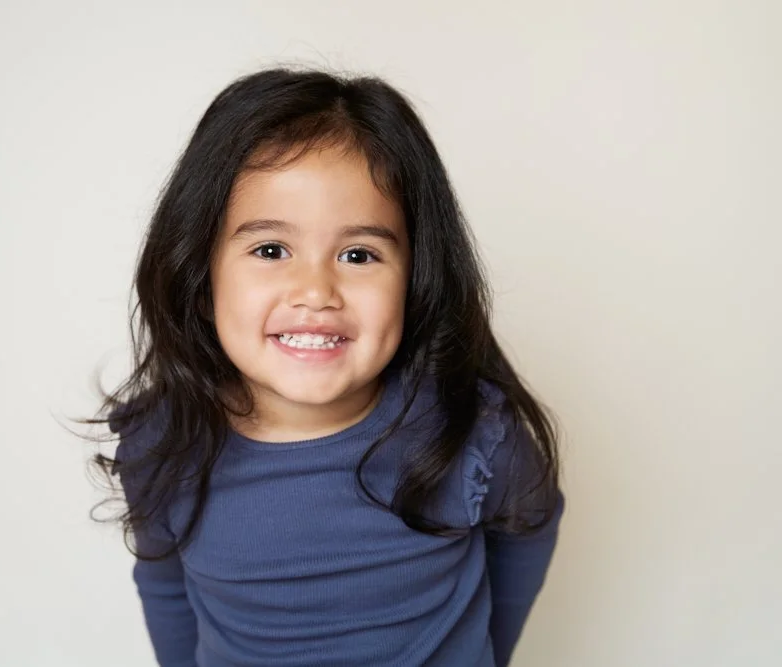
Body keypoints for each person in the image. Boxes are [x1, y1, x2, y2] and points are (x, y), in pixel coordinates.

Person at [91, 67, 564, 667]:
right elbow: (163, 585)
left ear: (416, 279)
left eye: (358, 254)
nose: (315, 291)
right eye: (270, 250)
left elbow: (529, 527)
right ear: (200, 271)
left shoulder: (471, 434)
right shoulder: (164, 442)